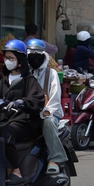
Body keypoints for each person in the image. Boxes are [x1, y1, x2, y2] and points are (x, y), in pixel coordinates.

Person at [0, 39, 45, 184]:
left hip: (25, 121)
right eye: (6, 57)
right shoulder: (4, 79)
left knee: (5, 133)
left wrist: (22, 102)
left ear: (20, 60)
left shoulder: (29, 79)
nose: (7, 61)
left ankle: (15, 171)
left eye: (11, 58)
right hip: (7, 119)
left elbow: (37, 100)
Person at [26, 39, 68, 174]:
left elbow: (55, 98)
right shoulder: (25, 74)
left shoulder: (52, 74)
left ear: (43, 56)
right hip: (29, 112)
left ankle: (56, 158)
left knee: (48, 122)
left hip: (50, 113)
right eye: (31, 56)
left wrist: (46, 111)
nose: (34, 59)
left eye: (37, 56)